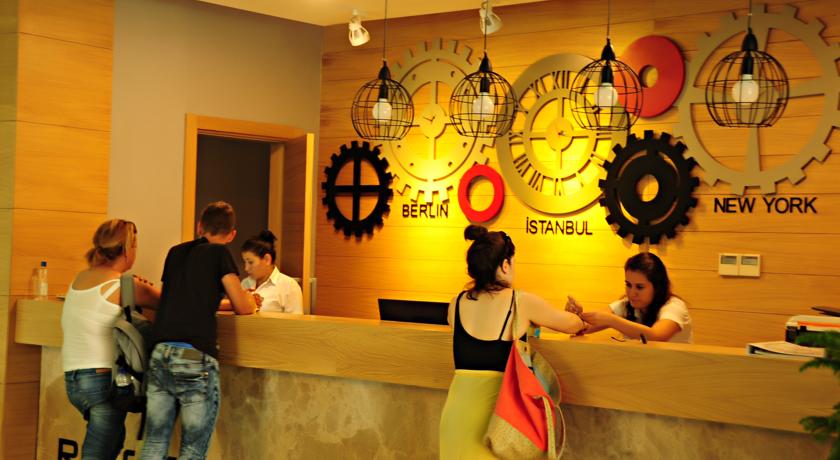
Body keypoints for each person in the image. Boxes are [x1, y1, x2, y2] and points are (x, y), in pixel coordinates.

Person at [439, 225, 585, 459]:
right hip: (496, 428)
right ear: (505, 265)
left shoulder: (455, 303)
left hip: (454, 422)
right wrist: (575, 314)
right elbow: (572, 325)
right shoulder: (521, 302)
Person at [141, 201, 258, 460]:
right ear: (232, 234)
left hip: (160, 353)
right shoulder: (220, 254)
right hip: (194, 356)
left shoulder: (175, 253)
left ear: (199, 227)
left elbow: (181, 298)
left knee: (154, 441)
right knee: (192, 449)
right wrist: (250, 300)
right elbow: (243, 307)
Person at [62, 219, 160, 459]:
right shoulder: (124, 286)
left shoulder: (79, 279)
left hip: (74, 380)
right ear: (127, 249)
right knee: (97, 454)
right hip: (102, 380)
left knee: (113, 442)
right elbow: (175, 305)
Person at [566, 252, 693, 343]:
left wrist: (612, 321)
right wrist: (575, 316)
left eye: (639, 287)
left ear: (657, 287)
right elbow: (585, 327)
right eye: (628, 285)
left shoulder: (674, 306)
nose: (632, 293)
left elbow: (657, 336)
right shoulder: (625, 304)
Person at [240, 230, 303, 314]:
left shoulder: (289, 286)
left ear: (267, 259)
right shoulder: (245, 283)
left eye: (250, 262)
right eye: (245, 262)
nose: (246, 268)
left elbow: (295, 321)